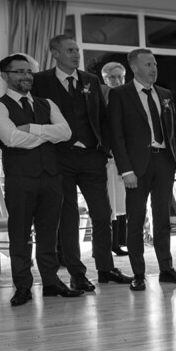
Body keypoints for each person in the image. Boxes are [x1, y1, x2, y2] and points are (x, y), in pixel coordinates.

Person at [32, 35, 130, 290]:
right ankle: (77, 274)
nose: (76, 55)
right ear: (55, 53)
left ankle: (106, 268)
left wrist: (104, 148)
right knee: (69, 218)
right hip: (59, 157)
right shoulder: (40, 81)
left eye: (77, 50)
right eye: (70, 50)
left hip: (91, 157)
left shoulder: (90, 80)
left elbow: (102, 116)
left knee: (102, 214)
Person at [0, 53, 84, 307]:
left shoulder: (47, 103)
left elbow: (65, 133)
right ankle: (22, 286)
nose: (26, 76)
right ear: (5, 76)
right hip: (20, 179)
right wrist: (46, 134)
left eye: (28, 71)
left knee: (49, 235)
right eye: (19, 72)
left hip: (51, 178)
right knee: (20, 235)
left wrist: (31, 129)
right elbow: (11, 140)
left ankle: (51, 282)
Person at [107, 48, 176, 291]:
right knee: (135, 221)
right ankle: (138, 274)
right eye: (148, 64)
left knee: (163, 220)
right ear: (134, 68)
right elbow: (117, 135)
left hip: (164, 162)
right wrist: (126, 171)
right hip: (136, 167)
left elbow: (173, 130)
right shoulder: (120, 94)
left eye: (155, 64)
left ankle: (166, 269)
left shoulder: (165, 94)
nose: (154, 69)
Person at [100, 61, 129, 257]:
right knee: (108, 201)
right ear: (104, 79)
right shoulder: (102, 98)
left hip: (125, 156)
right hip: (107, 157)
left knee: (122, 201)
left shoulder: (128, 96)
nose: (117, 80)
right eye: (113, 77)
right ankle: (109, 244)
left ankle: (119, 242)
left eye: (120, 77)